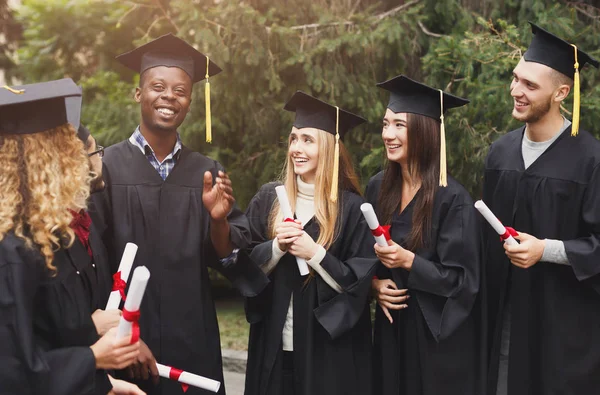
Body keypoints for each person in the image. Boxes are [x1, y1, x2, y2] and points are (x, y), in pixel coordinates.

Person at [91, 33, 269, 394]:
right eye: (158, 86)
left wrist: (218, 220)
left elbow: (228, 259)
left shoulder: (204, 170)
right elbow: (89, 256)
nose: (169, 96)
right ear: (138, 93)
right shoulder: (106, 167)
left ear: (190, 101)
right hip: (124, 338)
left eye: (181, 90)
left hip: (192, 338)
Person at [0, 79, 143, 395]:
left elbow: (45, 339)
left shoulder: (47, 237)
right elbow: (11, 374)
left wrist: (105, 385)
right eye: (69, 150)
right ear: (52, 160)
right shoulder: (11, 250)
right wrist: (92, 358)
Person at [483, 22, 600, 395]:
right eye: (516, 78)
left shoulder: (590, 160)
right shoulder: (500, 153)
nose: (516, 90)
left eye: (530, 85)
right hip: (505, 326)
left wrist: (545, 250)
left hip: (563, 332)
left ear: (562, 92)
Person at [242, 91, 377, 395]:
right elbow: (242, 264)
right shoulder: (269, 199)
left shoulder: (351, 209)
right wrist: (276, 248)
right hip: (273, 346)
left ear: (328, 148)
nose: (297, 149)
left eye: (308, 140)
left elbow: (361, 284)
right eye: (293, 139)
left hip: (326, 353)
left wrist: (315, 253)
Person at [368, 75, 486, 395]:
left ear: (424, 131)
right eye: (385, 124)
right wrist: (374, 284)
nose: (388, 135)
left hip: (435, 340)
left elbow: (462, 282)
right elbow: (362, 256)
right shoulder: (378, 187)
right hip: (391, 332)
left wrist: (409, 261)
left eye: (399, 126)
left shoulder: (453, 199)